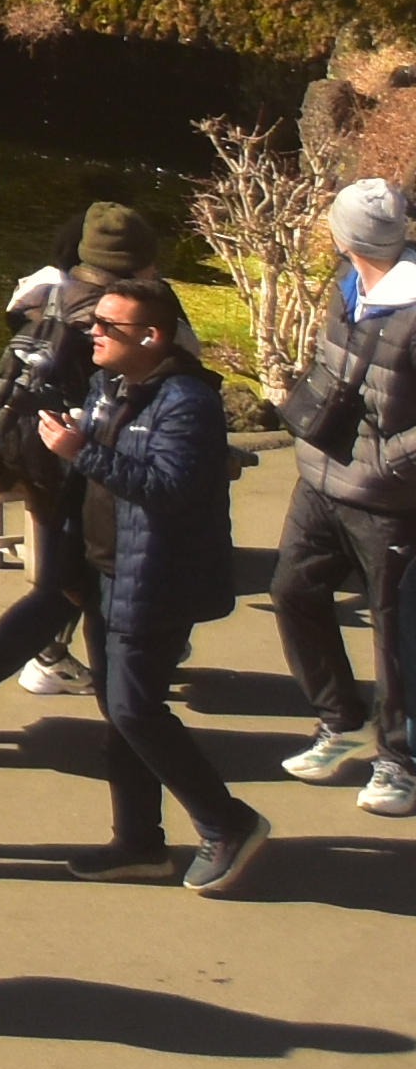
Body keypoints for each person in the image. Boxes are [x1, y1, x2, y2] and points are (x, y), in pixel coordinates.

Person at [43, 277, 264, 889]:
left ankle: (228, 822)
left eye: (108, 326)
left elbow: (168, 487)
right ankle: (138, 842)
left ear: (151, 336)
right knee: (118, 713)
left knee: (135, 709)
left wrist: (79, 450)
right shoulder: (107, 384)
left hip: (156, 579)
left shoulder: (186, 400)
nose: (93, 331)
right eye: (95, 321)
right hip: (103, 571)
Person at [0, 197, 178, 733]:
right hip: (94, 464)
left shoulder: (43, 294)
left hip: (32, 449)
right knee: (84, 585)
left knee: (65, 579)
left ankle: (8, 667)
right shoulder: (134, 312)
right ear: (138, 262)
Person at [263, 176, 412, 801]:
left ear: (345, 234)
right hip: (319, 478)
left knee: (395, 631)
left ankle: (400, 760)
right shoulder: (347, 285)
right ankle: (340, 721)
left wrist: (393, 461)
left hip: (390, 499)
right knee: (292, 592)